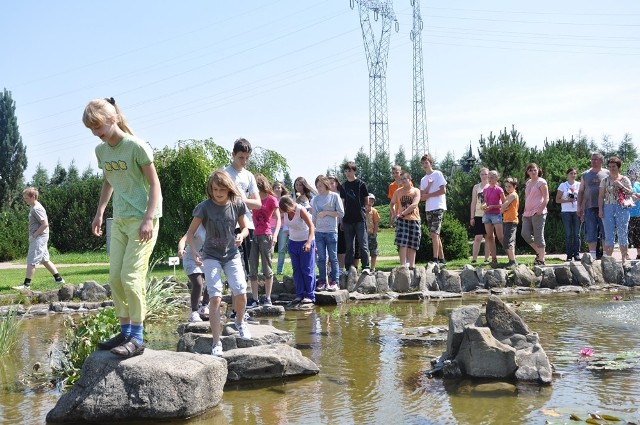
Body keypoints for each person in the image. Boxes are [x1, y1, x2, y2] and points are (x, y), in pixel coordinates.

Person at [83, 97, 162, 358]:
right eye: (92, 129)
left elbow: (154, 185)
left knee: (131, 277)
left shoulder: (136, 147)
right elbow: (109, 181)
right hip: (120, 219)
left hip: (143, 221)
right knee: (115, 277)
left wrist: (149, 218)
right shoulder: (102, 151)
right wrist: (100, 212)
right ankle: (126, 330)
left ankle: (137, 338)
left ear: (113, 119)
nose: (96, 133)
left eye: (98, 127)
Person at [186, 170, 252, 357]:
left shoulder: (237, 204)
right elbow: (190, 233)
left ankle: (240, 322)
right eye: (215, 189)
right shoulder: (204, 207)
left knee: (240, 291)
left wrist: (241, 234)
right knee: (215, 297)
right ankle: (216, 343)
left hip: (232, 254)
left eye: (222, 189)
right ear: (211, 189)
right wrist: (193, 252)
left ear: (229, 189)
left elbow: (246, 227)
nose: (218, 193)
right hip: (210, 256)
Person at [225, 138, 261, 318]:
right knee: (234, 268)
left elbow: (258, 203)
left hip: (247, 225)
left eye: (247, 158)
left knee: (245, 268)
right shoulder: (224, 174)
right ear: (233, 154)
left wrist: (241, 200)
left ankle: (239, 310)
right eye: (241, 157)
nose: (244, 162)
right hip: (229, 226)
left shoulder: (249, 176)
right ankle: (236, 310)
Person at [13, 187, 65, 290]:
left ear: (33, 197)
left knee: (31, 260)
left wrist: (35, 235)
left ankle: (26, 285)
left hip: (39, 238)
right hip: (39, 237)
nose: (25, 200)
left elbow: (45, 224)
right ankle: (59, 279)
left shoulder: (37, 208)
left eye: (26, 198)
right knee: (45, 260)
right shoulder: (34, 207)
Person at [248, 174, 281, 308]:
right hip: (254, 234)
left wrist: (275, 235)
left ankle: (268, 298)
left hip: (266, 235)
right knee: (253, 268)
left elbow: (278, 219)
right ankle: (255, 299)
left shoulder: (271, 199)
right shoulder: (253, 198)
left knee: (267, 268)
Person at [280, 196, 316, 304]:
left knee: (307, 268)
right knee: (296, 270)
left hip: (305, 241)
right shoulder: (285, 212)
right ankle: (299, 294)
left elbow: (311, 226)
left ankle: (310, 295)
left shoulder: (300, 210)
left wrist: (309, 242)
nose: (284, 212)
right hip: (293, 242)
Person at [311, 175, 344, 291]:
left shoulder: (334, 196)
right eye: (317, 186)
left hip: (331, 232)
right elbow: (314, 216)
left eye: (320, 185)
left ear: (326, 184)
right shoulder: (315, 199)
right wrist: (312, 232)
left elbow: (341, 213)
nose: (319, 188)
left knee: (333, 258)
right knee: (321, 258)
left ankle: (335, 281)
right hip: (319, 232)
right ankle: (322, 281)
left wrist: (326, 212)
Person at [598, 156, 633, 263]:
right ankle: (609, 259)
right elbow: (600, 196)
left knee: (623, 232)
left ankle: (623, 259)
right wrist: (600, 209)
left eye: (614, 166)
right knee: (609, 234)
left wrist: (621, 185)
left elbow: (630, 192)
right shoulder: (605, 180)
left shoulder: (625, 179)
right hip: (608, 207)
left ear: (618, 167)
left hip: (622, 207)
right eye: (610, 166)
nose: (611, 168)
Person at [340, 161, 371, 275]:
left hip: (359, 219)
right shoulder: (343, 186)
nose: (347, 173)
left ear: (354, 171)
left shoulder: (361, 184)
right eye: (346, 171)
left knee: (363, 244)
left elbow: (366, 200)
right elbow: (343, 203)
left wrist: (364, 210)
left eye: (349, 170)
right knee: (349, 246)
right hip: (347, 220)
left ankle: (366, 266)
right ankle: (349, 269)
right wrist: (342, 219)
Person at [577, 152, 608, 260]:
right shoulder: (585, 174)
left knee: (605, 231)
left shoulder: (607, 173)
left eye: (596, 159)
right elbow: (581, 191)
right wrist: (579, 207)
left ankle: (605, 256)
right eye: (592, 159)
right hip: (589, 207)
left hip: (605, 207)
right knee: (591, 231)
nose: (593, 161)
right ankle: (593, 256)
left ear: (601, 161)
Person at [177, 224, 209, 322]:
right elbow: (183, 240)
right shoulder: (197, 226)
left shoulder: (215, 224)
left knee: (211, 282)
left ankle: (204, 306)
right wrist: (180, 250)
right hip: (191, 259)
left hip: (206, 260)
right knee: (198, 284)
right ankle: (194, 312)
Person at [420, 154, 448, 266]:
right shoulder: (423, 179)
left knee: (434, 233)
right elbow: (422, 196)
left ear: (430, 163)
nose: (425, 165)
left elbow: (443, 190)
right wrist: (429, 186)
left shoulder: (438, 174)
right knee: (434, 234)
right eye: (423, 163)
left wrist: (429, 195)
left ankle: (435, 258)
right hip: (429, 208)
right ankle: (442, 259)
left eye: (426, 162)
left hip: (438, 206)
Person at [389, 172, 421, 269]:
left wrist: (402, 213)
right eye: (401, 179)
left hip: (414, 219)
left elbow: (414, 205)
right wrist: (394, 214)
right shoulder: (398, 191)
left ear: (409, 179)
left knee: (413, 243)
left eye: (404, 179)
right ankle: (402, 265)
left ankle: (412, 265)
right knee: (403, 243)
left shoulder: (416, 191)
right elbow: (391, 204)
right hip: (402, 221)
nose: (403, 181)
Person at [521, 163, 549, 265]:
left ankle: (541, 259)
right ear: (527, 172)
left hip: (538, 212)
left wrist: (541, 210)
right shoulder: (528, 182)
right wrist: (524, 210)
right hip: (527, 213)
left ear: (538, 170)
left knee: (538, 235)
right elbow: (527, 197)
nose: (533, 172)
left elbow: (546, 197)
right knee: (525, 234)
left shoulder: (541, 182)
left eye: (535, 170)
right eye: (530, 170)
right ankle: (540, 252)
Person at [556, 168, 581, 261]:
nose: (573, 175)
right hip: (566, 211)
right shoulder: (563, 185)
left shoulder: (579, 184)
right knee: (568, 233)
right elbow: (557, 199)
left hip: (576, 211)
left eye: (574, 173)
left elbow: (583, 198)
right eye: (571, 173)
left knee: (576, 234)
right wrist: (567, 200)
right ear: (567, 174)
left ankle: (577, 254)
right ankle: (569, 255)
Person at [482, 170, 505, 267]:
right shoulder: (485, 189)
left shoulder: (499, 189)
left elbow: (504, 204)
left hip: (496, 214)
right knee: (490, 237)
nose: (490, 179)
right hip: (487, 215)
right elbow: (485, 201)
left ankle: (511, 256)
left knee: (500, 237)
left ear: (497, 178)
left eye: (492, 177)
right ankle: (494, 258)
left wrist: (494, 207)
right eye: (489, 177)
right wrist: (484, 206)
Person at [469, 167, 491, 263]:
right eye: (482, 174)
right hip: (478, 214)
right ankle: (474, 258)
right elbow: (473, 202)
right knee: (478, 237)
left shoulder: (492, 185)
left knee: (488, 237)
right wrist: (472, 217)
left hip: (490, 214)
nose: (484, 176)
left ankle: (487, 258)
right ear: (480, 175)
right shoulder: (476, 187)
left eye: (486, 174)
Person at [501, 177, 519, 269]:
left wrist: (502, 207)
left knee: (508, 241)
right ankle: (512, 260)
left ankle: (513, 261)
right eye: (506, 186)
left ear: (514, 186)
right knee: (507, 241)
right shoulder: (509, 195)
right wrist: (503, 208)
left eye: (509, 186)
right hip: (507, 220)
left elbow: (504, 205)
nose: (507, 188)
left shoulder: (513, 195)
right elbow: (503, 208)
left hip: (511, 221)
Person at [272, 181, 289, 275]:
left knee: (282, 249)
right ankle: (264, 270)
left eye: (279, 187)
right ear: (273, 189)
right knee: (269, 249)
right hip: (271, 226)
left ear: (282, 189)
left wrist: (279, 215)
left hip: (283, 227)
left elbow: (287, 211)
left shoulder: (284, 199)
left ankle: (279, 271)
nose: (278, 189)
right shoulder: (270, 198)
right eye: (276, 187)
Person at [366, 193, 380, 272]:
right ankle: (366, 266)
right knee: (364, 251)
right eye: (368, 201)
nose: (370, 203)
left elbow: (376, 222)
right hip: (363, 234)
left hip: (371, 234)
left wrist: (374, 233)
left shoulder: (374, 211)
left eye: (372, 202)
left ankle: (373, 267)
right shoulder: (362, 210)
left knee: (373, 251)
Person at [627, 169, 640, 260]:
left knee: (638, 235)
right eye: (630, 174)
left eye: (633, 174)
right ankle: (626, 254)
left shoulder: (638, 185)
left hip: (638, 214)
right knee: (626, 235)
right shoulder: (625, 185)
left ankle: (639, 254)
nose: (632, 176)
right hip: (627, 214)